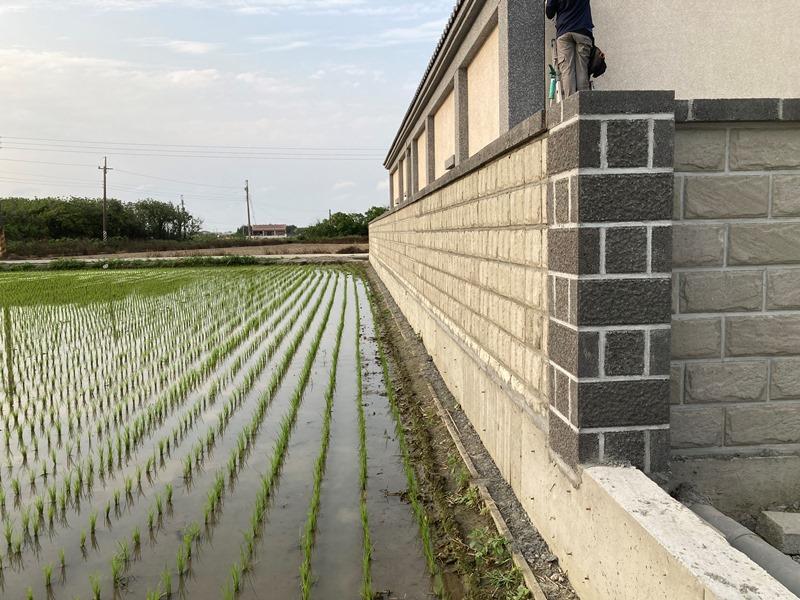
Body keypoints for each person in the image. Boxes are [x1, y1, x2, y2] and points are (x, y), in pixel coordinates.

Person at [545, 0, 594, 97]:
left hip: (564, 31)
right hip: (583, 30)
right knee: (582, 68)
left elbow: (549, 13)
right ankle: (583, 103)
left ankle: (571, 104)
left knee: (567, 70)